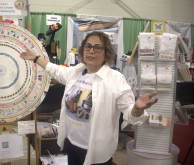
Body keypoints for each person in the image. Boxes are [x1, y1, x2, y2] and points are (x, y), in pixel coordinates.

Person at [20, 31, 158, 165]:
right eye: (88, 46)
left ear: (107, 53)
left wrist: (137, 109)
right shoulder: (77, 71)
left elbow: (130, 114)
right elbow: (55, 70)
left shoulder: (115, 79)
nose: (91, 51)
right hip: (73, 143)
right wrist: (36, 58)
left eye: (97, 47)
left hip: (96, 150)